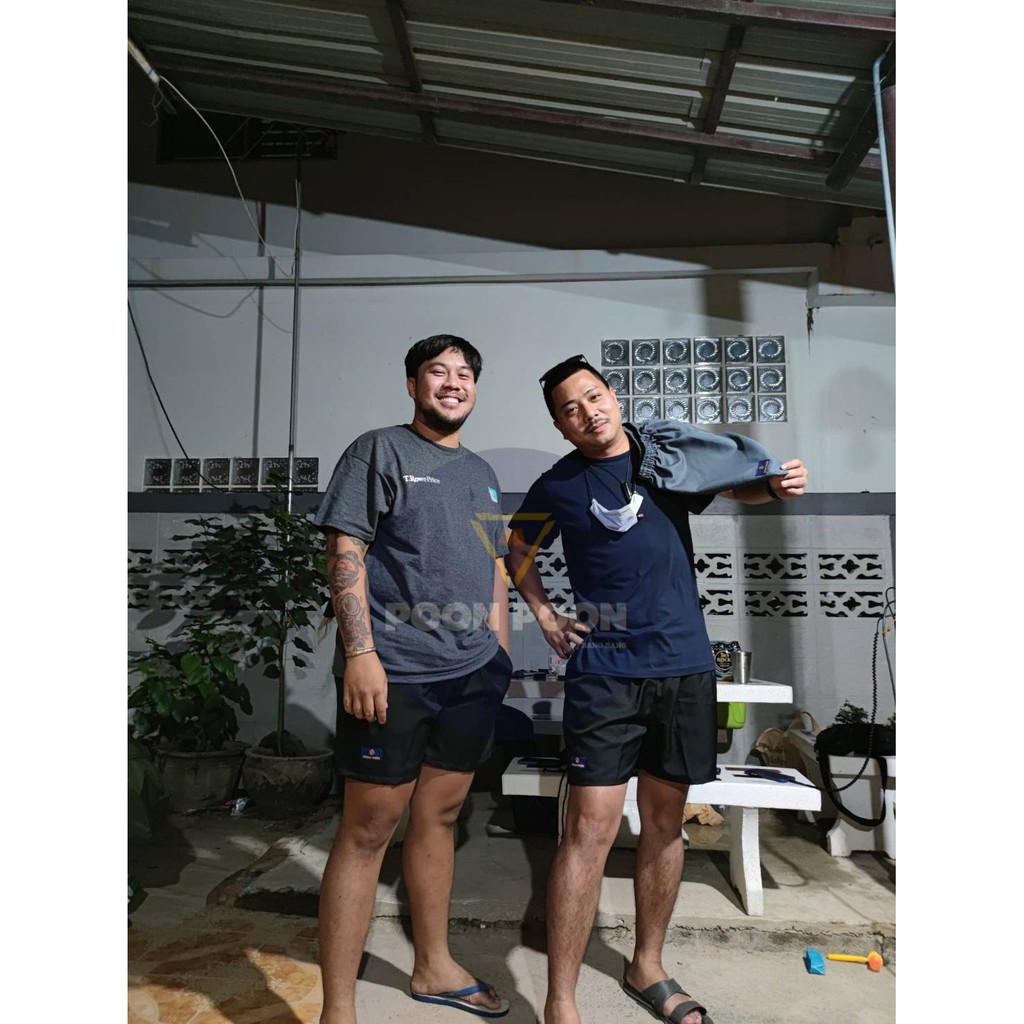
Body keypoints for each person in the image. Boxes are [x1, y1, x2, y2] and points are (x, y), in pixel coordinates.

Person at [505, 354, 807, 1024]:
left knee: (666, 825)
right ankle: (560, 1001)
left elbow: (741, 490)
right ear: (560, 426)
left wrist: (777, 485)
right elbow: (516, 548)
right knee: (588, 830)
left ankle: (647, 964)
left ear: (613, 396)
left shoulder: (662, 458)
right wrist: (547, 616)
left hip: (683, 667)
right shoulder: (557, 484)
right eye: (571, 409)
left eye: (594, 397)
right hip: (604, 675)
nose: (588, 413)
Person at [313, 334, 514, 1024]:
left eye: (464, 374)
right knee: (369, 829)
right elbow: (345, 548)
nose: (453, 383)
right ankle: (338, 1008)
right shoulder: (379, 450)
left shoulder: (482, 470)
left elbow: (494, 565)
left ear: (474, 389)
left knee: (442, 817)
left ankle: (432, 966)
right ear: (412, 384)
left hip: (470, 673)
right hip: (393, 671)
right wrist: (360, 654)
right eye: (438, 371)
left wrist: (498, 654)